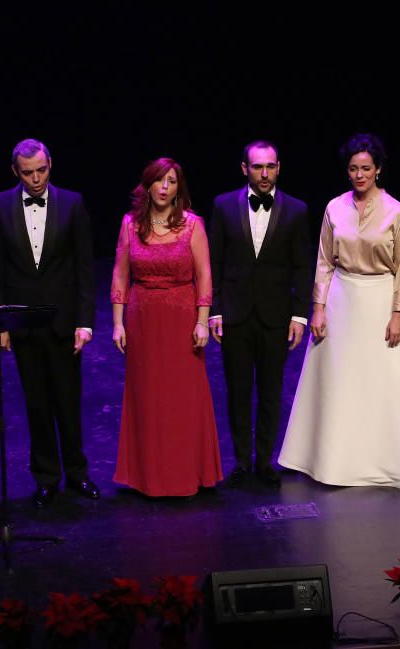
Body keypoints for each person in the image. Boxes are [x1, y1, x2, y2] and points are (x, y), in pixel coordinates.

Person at [278, 134, 400, 490]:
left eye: (366, 168)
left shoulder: (398, 212)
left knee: (383, 381)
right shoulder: (335, 208)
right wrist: (317, 308)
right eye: (353, 169)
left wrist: (398, 313)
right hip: (342, 299)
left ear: (378, 169)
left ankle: (387, 460)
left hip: (380, 299)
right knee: (340, 381)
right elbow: (323, 261)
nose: (360, 175)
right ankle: (332, 459)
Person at [0, 139, 99, 508]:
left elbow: (85, 266)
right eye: (28, 173)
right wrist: (1, 321)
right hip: (22, 321)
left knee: (68, 401)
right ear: (15, 171)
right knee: (35, 404)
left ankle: (77, 473)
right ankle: (46, 477)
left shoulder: (72, 202)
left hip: (63, 320)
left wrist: (85, 321)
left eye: (41, 170)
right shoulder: (0, 206)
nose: (36, 179)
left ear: (50, 164)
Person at [111, 157, 223, 496]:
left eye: (171, 181)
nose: (164, 187)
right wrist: (117, 323)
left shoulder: (192, 225)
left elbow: (204, 275)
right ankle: (148, 477)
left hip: (181, 318)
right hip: (143, 318)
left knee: (182, 399)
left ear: (179, 188)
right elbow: (119, 274)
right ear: (147, 185)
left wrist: (203, 322)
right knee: (148, 398)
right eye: (159, 181)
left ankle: (187, 473)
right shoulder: (130, 224)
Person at [208, 140, 312, 488]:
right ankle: (240, 462)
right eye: (257, 167)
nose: (264, 173)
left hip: (276, 316)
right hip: (235, 314)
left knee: (270, 390)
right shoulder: (223, 206)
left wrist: (299, 316)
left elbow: (301, 267)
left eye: (270, 166)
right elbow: (216, 262)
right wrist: (215, 310)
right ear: (244, 169)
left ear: (279, 167)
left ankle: (265, 461)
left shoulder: (296, 210)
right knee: (237, 392)